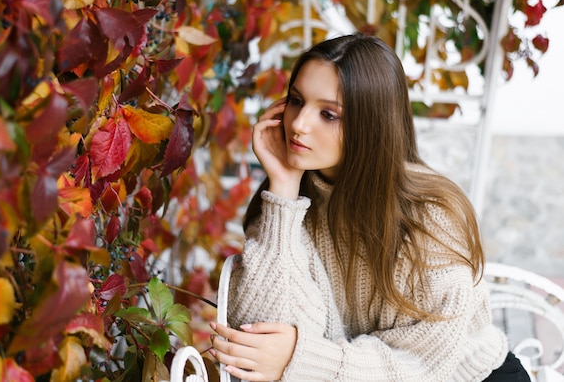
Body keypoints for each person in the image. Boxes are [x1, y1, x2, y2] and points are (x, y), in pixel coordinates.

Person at [208, 33, 530, 381]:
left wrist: (300, 360)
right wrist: (284, 189)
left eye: (328, 114)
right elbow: (257, 338)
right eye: (297, 101)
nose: (299, 125)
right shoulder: (286, 205)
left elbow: (422, 365)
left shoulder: (431, 215)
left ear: (371, 124)